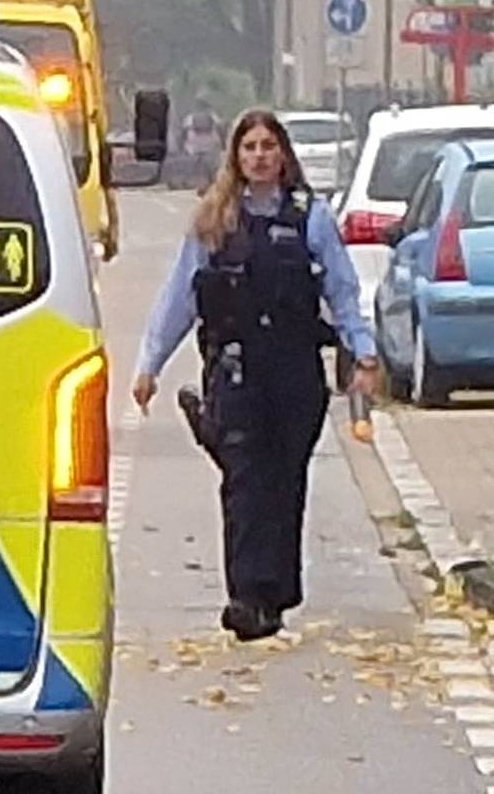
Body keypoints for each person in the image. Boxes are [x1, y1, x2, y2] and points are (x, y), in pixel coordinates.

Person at [133, 108, 383, 642]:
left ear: (283, 155)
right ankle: (246, 596)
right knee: (244, 480)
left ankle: (276, 593)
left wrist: (363, 353)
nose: (260, 156)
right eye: (250, 147)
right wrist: (148, 364)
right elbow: (180, 298)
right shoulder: (214, 220)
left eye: (269, 146)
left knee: (283, 481)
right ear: (236, 157)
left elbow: (341, 291)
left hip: (293, 371)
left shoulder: (309, 218)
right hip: (236, 369)